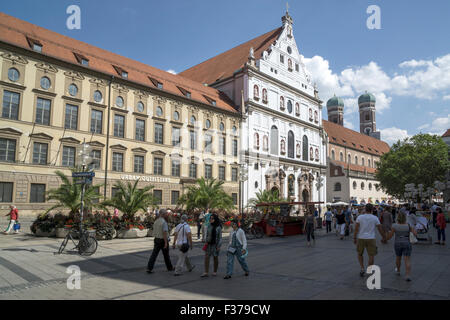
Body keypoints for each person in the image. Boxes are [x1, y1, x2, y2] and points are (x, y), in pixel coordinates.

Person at [353, 203, 385, 277]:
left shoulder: (360, 217)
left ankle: (362, 268)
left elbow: (356, 229)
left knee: (360, 254)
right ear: (372, 210)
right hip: (371, 238)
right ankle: (369, 269)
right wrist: (384, 237)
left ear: (365, 209)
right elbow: (380, 229)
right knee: (371, 255)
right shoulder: (375, 218)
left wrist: (354, 238)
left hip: (361, 238)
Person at [385, 211, 417, 281]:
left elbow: (389, 236)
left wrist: (385, 238)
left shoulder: (394, 226)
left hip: (397, 243)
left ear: (398, 218)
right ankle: (408, 275)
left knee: (398, 257)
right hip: (407, 243)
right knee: (407, 259)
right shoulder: (408, 225)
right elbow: (415, 233)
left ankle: (398, 270)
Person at [147, 209, 174, 273]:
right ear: (163, 214)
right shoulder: (163, 222)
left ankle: (149, 267)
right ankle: (169, 267)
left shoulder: (156, 221)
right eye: (165, 214)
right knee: (166, 255)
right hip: (162, 240)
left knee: (154, 254)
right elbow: (164, 232)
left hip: (156, 239)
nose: (166, 215)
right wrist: (165, 243)